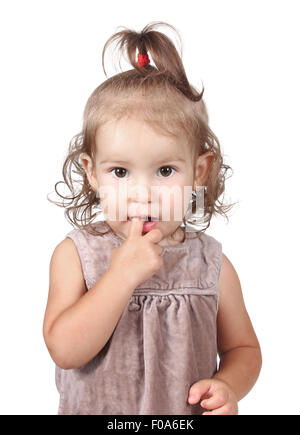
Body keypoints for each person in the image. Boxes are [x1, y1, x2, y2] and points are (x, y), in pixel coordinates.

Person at [43, 21, 262, 415]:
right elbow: (64, 350)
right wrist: (120, 276)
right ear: (92, 172)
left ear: (199, 171)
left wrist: (228, 385)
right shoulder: (77, 255)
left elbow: (243, 348)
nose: (141, 194)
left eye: (164, 171)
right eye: (120, 172)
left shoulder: (211, 264)